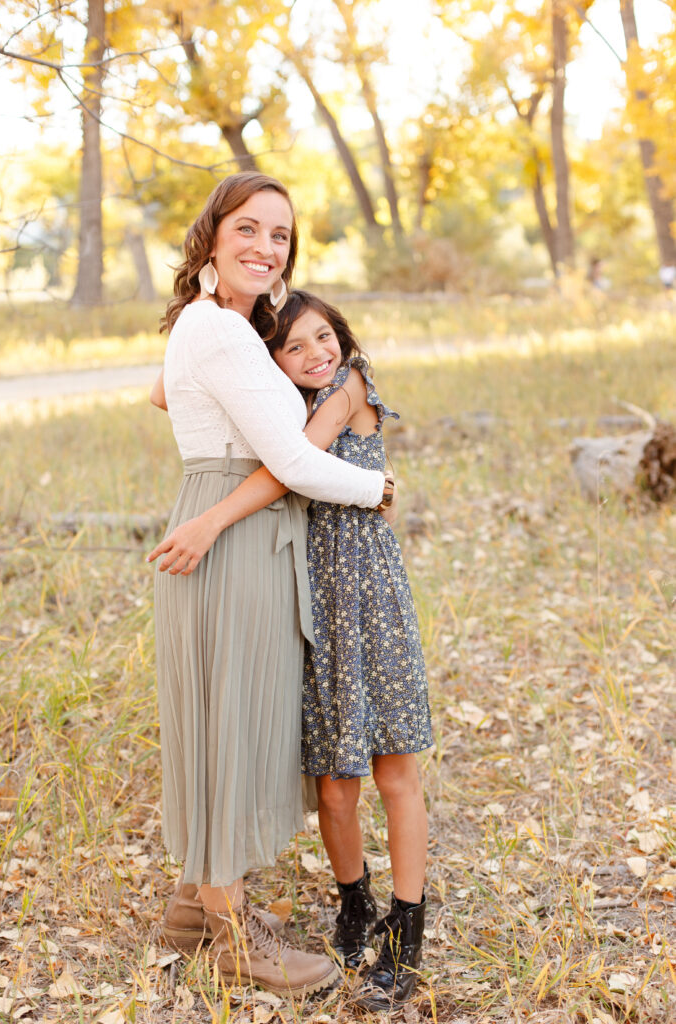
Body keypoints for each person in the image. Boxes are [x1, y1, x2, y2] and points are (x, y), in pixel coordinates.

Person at [155, 290, 433, 1013]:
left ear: (343, 336)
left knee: (392, 768)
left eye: (324, 337)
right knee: (334, 782)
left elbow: (288, 465)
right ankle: (353, 905)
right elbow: (162, 391)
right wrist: (202, 313)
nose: (317, 354)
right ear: (274, 363)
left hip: (366, 597)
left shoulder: (347, 388)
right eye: (294, 348)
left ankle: (406, 932)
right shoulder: (287, 396)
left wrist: (211, 518)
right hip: (310, 602)